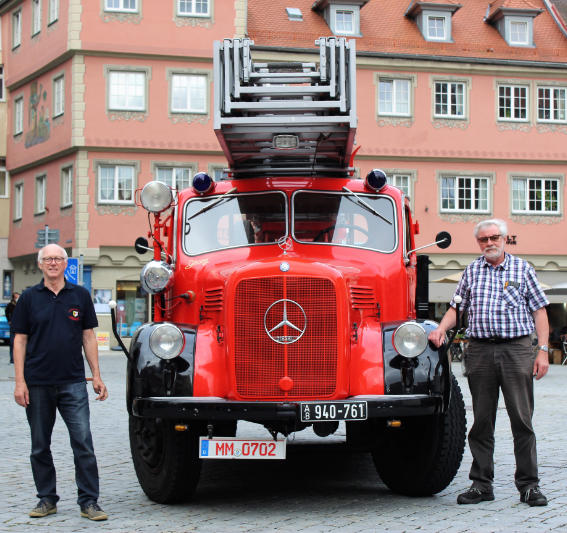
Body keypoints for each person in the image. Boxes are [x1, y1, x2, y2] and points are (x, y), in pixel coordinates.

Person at [429, 219, 549, 507]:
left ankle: (529, 486)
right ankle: (482, 484)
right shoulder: (471, 271)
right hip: (480, 351)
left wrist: (542, 350)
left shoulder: (522, 269)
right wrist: (441, 329)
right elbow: (457, 308)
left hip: (516, 350)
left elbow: (540, 311)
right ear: (478, 243)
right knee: (482, 421)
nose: (489, 243)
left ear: (505, 239)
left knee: (522, 420)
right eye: (483, 239)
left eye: (494, 237)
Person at [12, 244, 109, 521]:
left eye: (57, 259)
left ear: (66, 264)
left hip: (73, 383)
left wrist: (97, 375)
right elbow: (19, 340)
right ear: (41, 264)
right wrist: (20, 382)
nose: (53, 263)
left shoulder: (79, 295)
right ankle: (46, 499)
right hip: (38, 383)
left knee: (83, 443)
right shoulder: (29, 298)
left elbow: (88, 336)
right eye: (48, 259)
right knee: (40, 445)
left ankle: (89, 501)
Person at [5, 291, 19, 364]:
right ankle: (12, 359)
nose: (17, 298)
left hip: (20, 326)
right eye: (16, 297)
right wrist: (9, 320)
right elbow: (7, 313)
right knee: (12, 342)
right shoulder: (10, 305)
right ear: (13, 298)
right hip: (13, 325)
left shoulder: (21, 304)